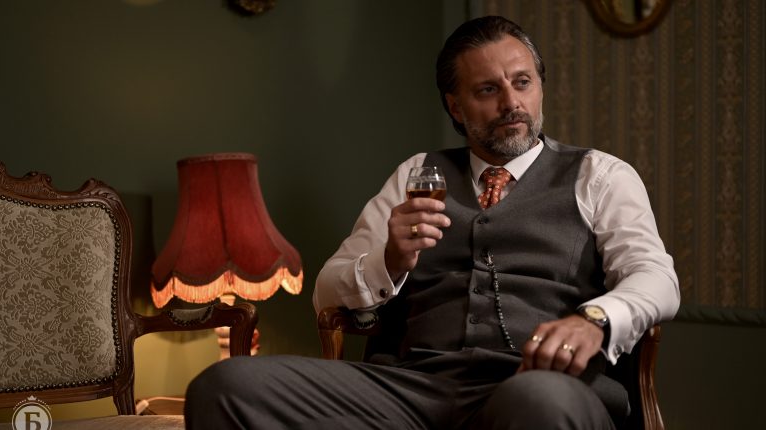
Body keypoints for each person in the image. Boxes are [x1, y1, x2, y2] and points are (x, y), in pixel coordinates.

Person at [184, 15, 679, 429]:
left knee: (533, 401)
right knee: (226, 386)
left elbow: (656, 277)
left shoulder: (599, 175)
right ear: (455, 106)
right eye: (488, 89)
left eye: (522, 82)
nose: (512, 103)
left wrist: (595, 320)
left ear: (540, 87)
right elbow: (326, 294)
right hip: (412, 388)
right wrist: (389, 259)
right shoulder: (416, 174)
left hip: (543, 385)